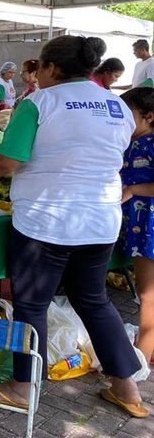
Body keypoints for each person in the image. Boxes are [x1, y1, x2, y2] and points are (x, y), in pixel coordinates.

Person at [0, 35, 147, 418]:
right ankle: (126, 389)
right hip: (100, 220)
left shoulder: (40, 102)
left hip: (45, 221)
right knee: (94, 300)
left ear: (49, 68)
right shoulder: (116, 105)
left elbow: (9, 160)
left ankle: (22, 387)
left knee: (31, 304)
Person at [118, 87, 154, 370]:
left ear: (149, 116)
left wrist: (133, 189)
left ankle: (139, 356)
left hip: (149, 226)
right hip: (139, 225)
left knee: (148, 292)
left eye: (127, 115)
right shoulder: (131, 141)